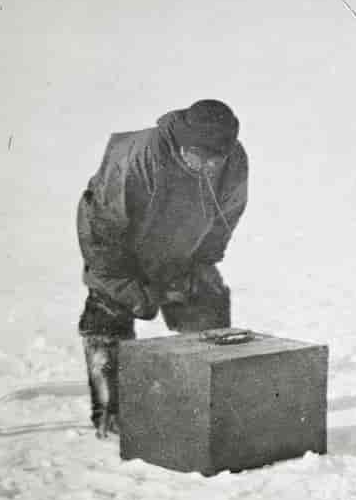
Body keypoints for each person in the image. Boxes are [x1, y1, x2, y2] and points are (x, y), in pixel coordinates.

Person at [76, 99, 249, 437]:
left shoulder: (233, 160)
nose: (206, 166)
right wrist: (124, 286)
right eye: (198, 156)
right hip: (118, 248)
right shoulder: (138, 157)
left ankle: (201, 402)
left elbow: (225, 217)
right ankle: (112, 416)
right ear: (183, 142)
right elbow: (102, 228)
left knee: (207, 304)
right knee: (109, 313)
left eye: (215, 159)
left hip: (181, 247)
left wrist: (202, 264)